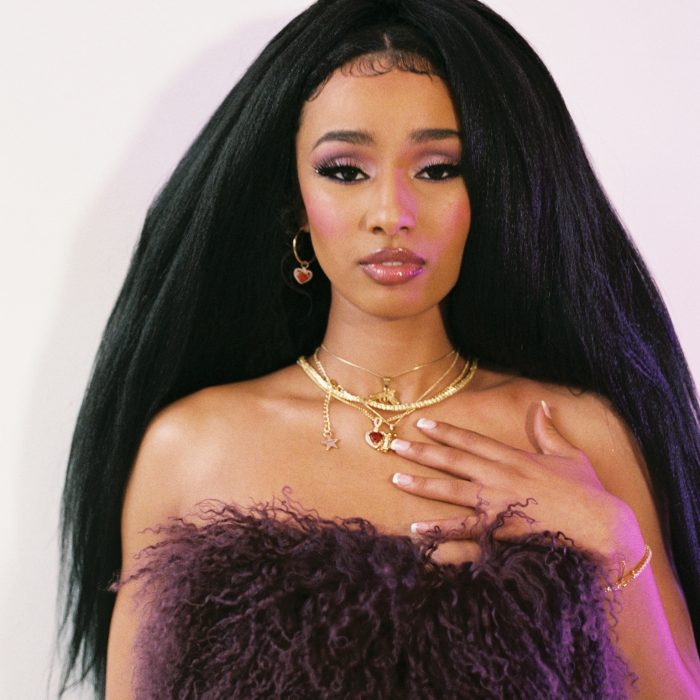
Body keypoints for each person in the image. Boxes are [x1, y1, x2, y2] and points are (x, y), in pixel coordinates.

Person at [58, 0, 700, 697]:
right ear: (295, 200)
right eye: (344, 170)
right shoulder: (190, 449)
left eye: (437, 168)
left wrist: (611, 537)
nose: (392, 213)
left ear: (488, 190)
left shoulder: (574, 436)